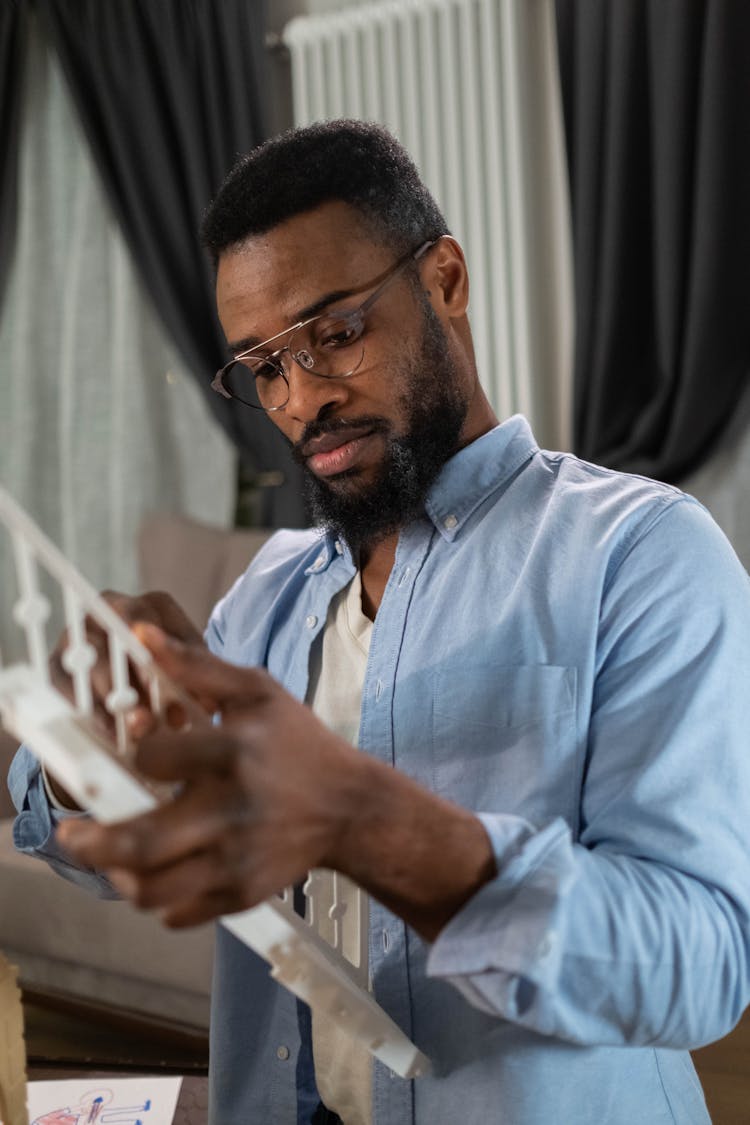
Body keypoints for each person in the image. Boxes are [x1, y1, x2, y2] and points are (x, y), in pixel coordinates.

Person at [9, 120, 750, 1125]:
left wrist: (368, 823)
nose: (304, 397)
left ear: (444, 279)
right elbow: (84, 829)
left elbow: (703, 967)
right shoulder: (264, 598)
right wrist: (84, 743)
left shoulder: (643, 553)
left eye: (336, 334)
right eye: (263, 367)